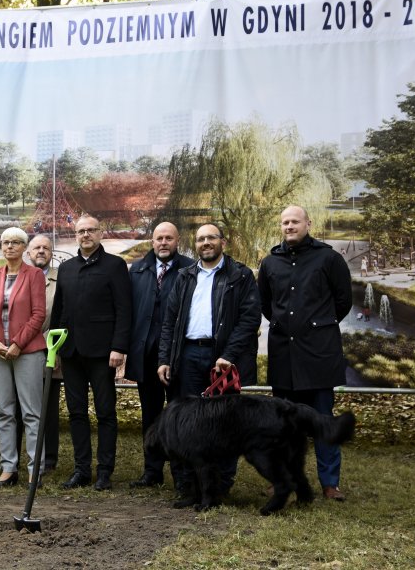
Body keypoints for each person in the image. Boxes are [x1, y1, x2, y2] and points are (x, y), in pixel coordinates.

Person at [157, 223, 261, 507]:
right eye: (201, 239)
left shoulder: (240, 275)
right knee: (185, 425)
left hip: (221, 360)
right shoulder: (185, 276)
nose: (205, 243)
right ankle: (187, 487)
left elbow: (249, 319)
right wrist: (165, 359)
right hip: (187, 357)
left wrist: (229, 355)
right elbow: (170, 322)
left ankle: (220, 487)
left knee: (223, 425)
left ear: (222, 242)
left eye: (211, 238)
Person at [257, 205, 352, 501]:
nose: (289, 226)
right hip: (284, 354)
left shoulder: (329, 259)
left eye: (295, 221)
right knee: (282, 424)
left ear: (308, 224)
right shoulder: (270, 263)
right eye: (285, 222)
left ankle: (329, 483)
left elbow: (343, 301)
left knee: (323, 419)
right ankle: (281, 479)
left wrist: (316, 326)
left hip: (318, 354)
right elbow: (266, 304)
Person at [50, 215, 132, 491]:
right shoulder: (66, 268)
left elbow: (124, 309)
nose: (85, 235)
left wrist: (119, 347)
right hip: (71, 352)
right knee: (76, 413)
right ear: (76, 235)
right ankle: (81, 469)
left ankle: (105, 471)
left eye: (90, 230)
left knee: (105, 412)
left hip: (102, 353)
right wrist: (55, 348)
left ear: (100, 233)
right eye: (81, 231)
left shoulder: (115, 266)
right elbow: (59, 311)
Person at [0, 227, 47, 488]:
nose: (9, 247)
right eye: (5, 242)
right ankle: (8, 467)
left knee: (32, 413)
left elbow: (38, 315)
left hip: (27, 352)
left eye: (15, 242)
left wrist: (18, 343)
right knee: (5, 412)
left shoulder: (34, 276)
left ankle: (35, 468)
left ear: (24, 248)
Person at [125, 222, 191, 488]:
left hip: (178, 355)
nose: (163, 243)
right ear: (152, 242)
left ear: (177, 241)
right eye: (158, 238)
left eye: (168, 238)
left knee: (179, 415)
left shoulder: (189, 269)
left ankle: (181, 474)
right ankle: (151, 471)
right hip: (146, 354)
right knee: (150, 415)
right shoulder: (138, 270)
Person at [25, 234, 60, 472]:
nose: (41, 251)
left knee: (48, 406)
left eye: (45, 248)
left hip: (50, 348)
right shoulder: (18, 277)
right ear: (28, 252)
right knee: (22, 407)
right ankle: (20, 458)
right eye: (36, 247)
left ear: (51, 253)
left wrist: (56, 350)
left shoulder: (61, 278)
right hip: (22, 348)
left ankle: (48, 458)